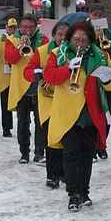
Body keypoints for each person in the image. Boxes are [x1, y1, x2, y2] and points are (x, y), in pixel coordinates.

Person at [43, 21, 111, 212]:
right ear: (69, 39)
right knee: (70, 155)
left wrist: (107, 79)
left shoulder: (100, 55)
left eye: (84, 39)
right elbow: (49, 77)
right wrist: (67, 68)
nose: (80, 43)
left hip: (91, 113)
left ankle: (84, 191)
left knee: (87, 156)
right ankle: (73, 193)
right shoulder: (58, 54)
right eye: (76, 39)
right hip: (68, 114)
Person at [24, 21, 69, 189]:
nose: (63, 38)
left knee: (66, 139)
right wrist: (36, 73)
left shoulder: (74, 53)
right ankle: (52, 175)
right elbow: (28, 70)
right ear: (54, 35)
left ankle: (65, 173)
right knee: (51, 139)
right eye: (60, 34)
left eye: (66, 35)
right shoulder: (43, 51)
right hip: (48, 101)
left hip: (67, 101)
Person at [4, 14, 48, 164]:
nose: (27, 30)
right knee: (23, 123)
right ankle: (24, 153)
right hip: (21, 87)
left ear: (35, 27)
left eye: (30, 27)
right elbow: (11, 59)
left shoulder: (43, 40)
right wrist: (20, 47)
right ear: (19, 28)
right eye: (24, 27)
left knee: (40, 122)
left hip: (39, 87)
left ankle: (39, 153)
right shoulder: (11, 40)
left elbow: (48, 58)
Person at [89, 3, 111, 160]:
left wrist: (105, 36)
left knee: (109, 112)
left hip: (106, 76)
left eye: (100, 15)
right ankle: (93, 145)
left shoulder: (109, 31)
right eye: (95, 15)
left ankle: (101, 144)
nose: (97, 18)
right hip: (89, 77)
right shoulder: (84, 30)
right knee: (91, 113)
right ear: (90, 15)